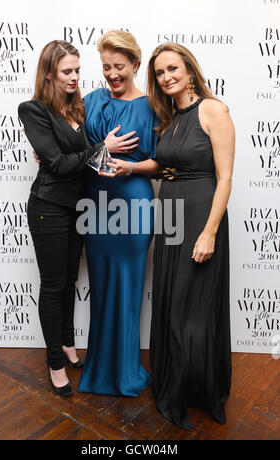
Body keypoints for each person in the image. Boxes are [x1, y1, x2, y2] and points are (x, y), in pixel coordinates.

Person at [18, 40, 137, 398]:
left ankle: (69, 346)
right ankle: (55, 362)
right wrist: (103, 149)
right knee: (53, 286)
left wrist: (107, 157)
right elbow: (57, 163)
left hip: (79, 208)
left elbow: (80, 160)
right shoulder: (34, 110)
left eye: (77, 71)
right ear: (50, 74)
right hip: (48, 207)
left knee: (70, 280)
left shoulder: (79, 107)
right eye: (67, 72)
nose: (74, 78)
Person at [147, 43, 235, 429]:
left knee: (192, 307)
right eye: (160, 73)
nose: (167, 77)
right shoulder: (170, 118)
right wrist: (126, 168)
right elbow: (164, 166)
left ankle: (197, 390)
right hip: (169, 214)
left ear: (189, 70)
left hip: (201, 214)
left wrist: (210, 232)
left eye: (172, 69)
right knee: (171, 301)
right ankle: (174, 386)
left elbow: (225, 177)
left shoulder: (213, 110)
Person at [77, 30, 159, 397]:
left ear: (136, 65)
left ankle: (126, 372)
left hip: (134, 204)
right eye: (107, 67)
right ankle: (98, 370)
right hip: (96, 203)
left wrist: (130, 168)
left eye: (120, 67)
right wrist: (48, 150)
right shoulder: (91, 100)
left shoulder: (152, 108)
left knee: (127, 286)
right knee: (101, 285)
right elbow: (76, 151)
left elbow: (163, 164)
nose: (112, 74)